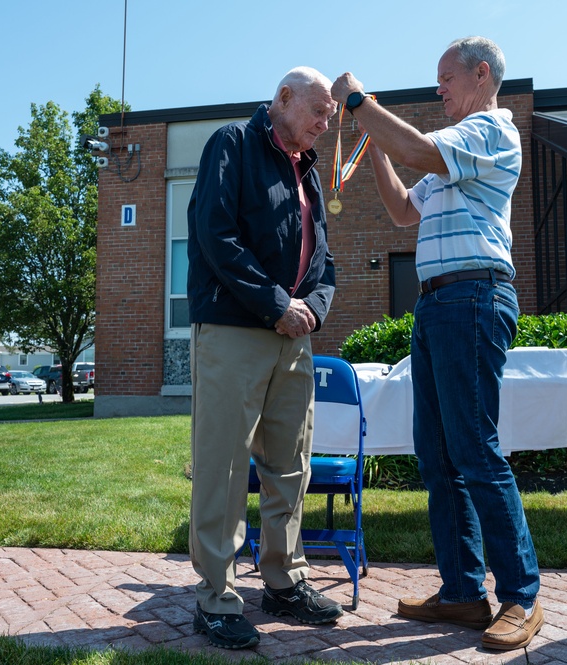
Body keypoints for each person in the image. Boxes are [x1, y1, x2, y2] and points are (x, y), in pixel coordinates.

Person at [331, 37, 543, 651]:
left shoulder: (491, 131)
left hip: (473, 297)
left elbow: (418, 147)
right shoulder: (453, 159)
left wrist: (358, 101)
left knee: (474, 450)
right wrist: (371, 141)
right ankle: (461, 593)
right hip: (438, 303)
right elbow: (401, 210)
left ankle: (521, 597)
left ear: (482, 75)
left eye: (446, 78)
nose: (439, 89)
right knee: (438, 454)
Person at [185, 66, 342, 650]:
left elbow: (323, 256)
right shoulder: (233, 143)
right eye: (319, 112)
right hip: (234, 328)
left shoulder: (308, 170)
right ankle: (217, 599)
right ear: (282, 99)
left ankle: (283, 581)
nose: (326, 125)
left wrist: (313, 310)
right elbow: (215, 234)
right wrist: (277, 303)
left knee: (290, 464)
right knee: (224, 468)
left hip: (294, 338)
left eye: (329, 116)